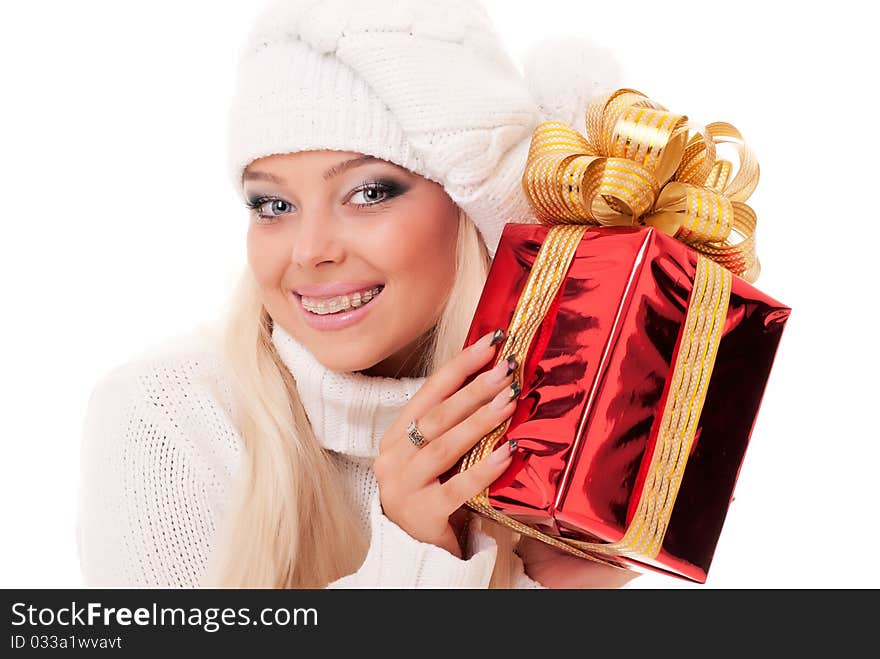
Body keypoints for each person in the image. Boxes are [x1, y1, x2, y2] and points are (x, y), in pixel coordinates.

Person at [76, 0, 638, 589]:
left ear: (469, 207)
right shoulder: (165, 418)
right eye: (273, 205)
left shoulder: (555, 444)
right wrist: (414, 561)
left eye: (368, 193)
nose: (309, 250)